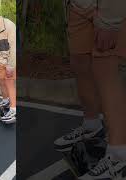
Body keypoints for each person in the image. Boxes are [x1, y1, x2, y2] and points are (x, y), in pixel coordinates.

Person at [53, 0, 126, 179]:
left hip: (106, 8)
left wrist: (110, 20)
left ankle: (119, 155)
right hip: (78, 6)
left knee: (105, 69)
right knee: (80, 63)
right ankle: (92, 126)